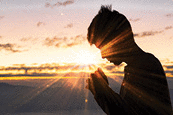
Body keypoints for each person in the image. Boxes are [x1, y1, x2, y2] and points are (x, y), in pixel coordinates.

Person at [86, 5, 172, 115]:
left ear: (117, 40)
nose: (102, 56)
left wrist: (102, 91)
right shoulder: (136, 67)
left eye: (103, 47)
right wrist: (102, 90)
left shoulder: (146, 66)